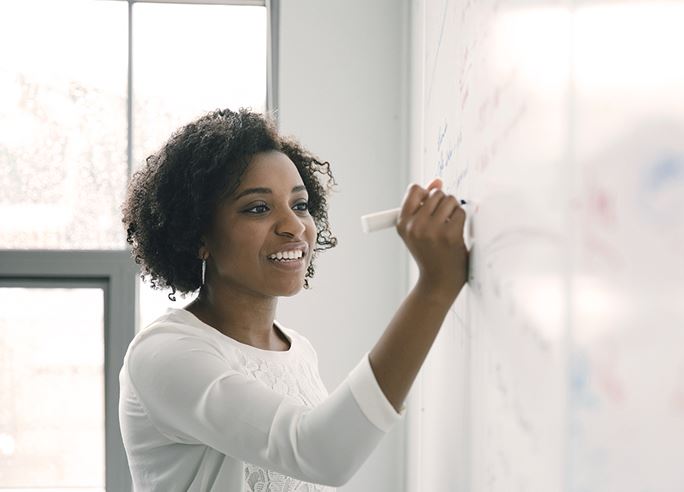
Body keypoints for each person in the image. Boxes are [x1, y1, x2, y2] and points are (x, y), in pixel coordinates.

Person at [118, 108, 468, 491]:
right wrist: (435, 287)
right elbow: (319, 453)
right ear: (199, 236)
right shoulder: (165, 354)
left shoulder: (298, 350)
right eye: (258, 208)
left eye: (300, 205)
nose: (294, 226)